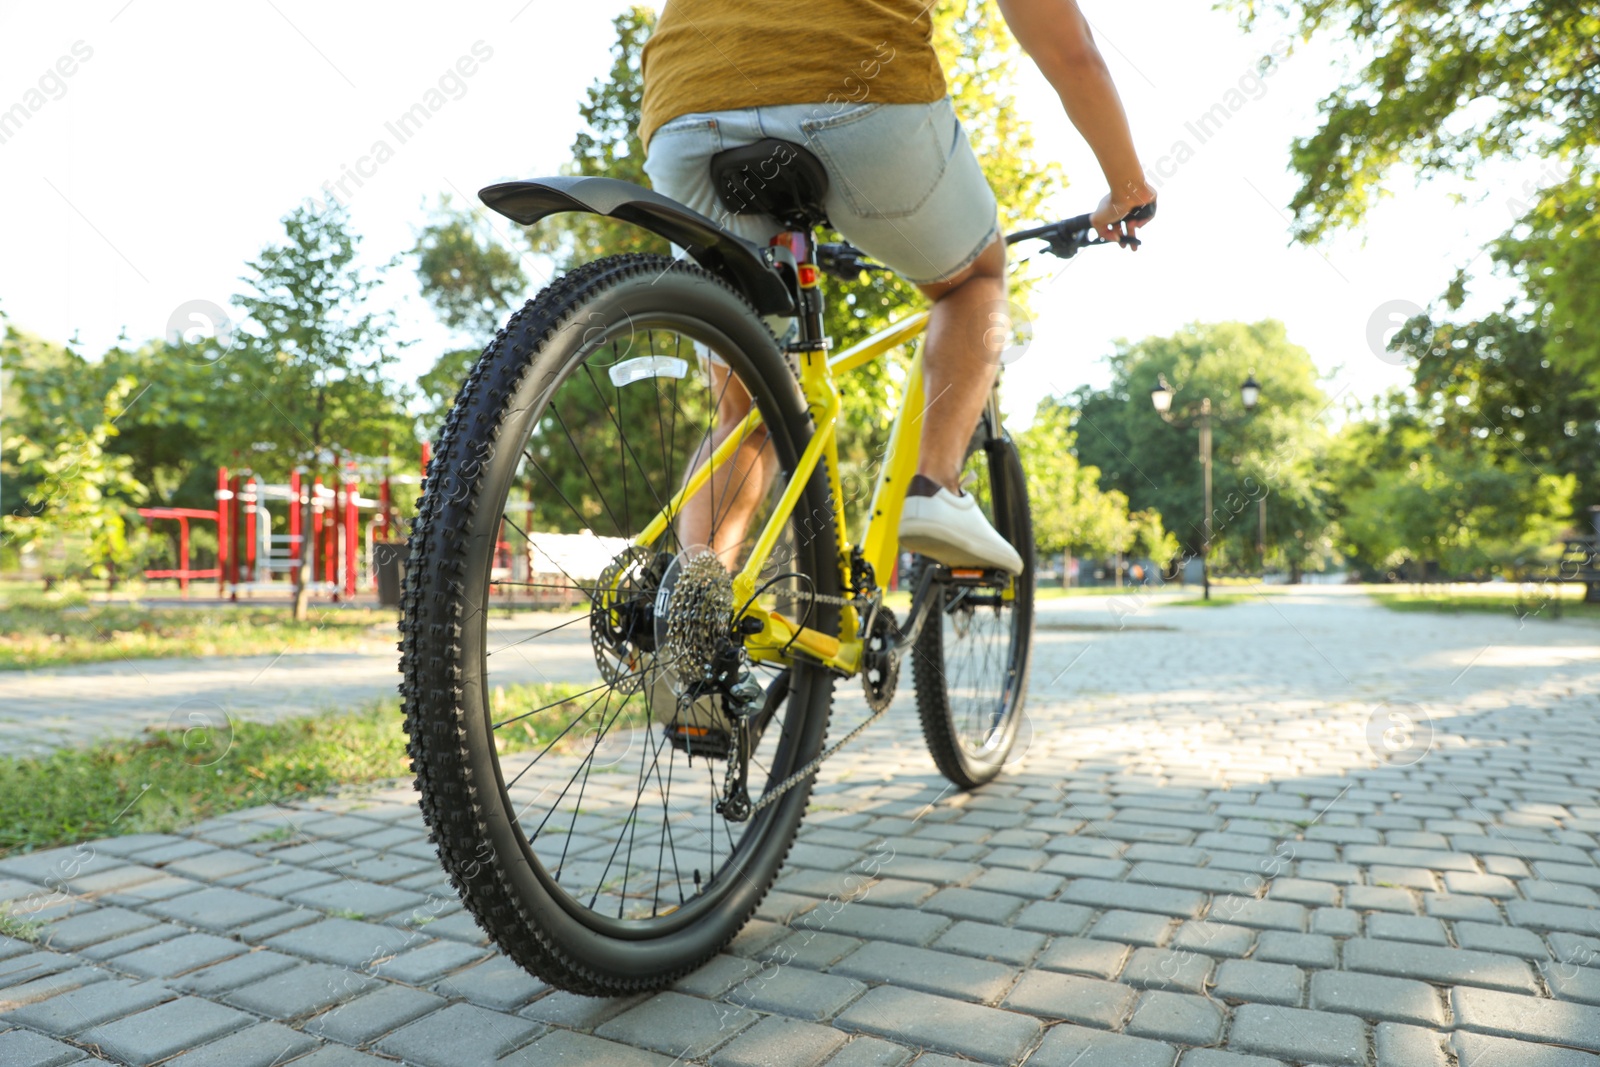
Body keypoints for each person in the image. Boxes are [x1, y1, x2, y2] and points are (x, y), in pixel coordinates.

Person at [640, 0, 1154, 574]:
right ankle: (935, 488)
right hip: (854, 83)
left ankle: (689, 613)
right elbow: (1068, 49)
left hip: (684, 105)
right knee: (975, 279)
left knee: (747, 406)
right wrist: (1127, 186)